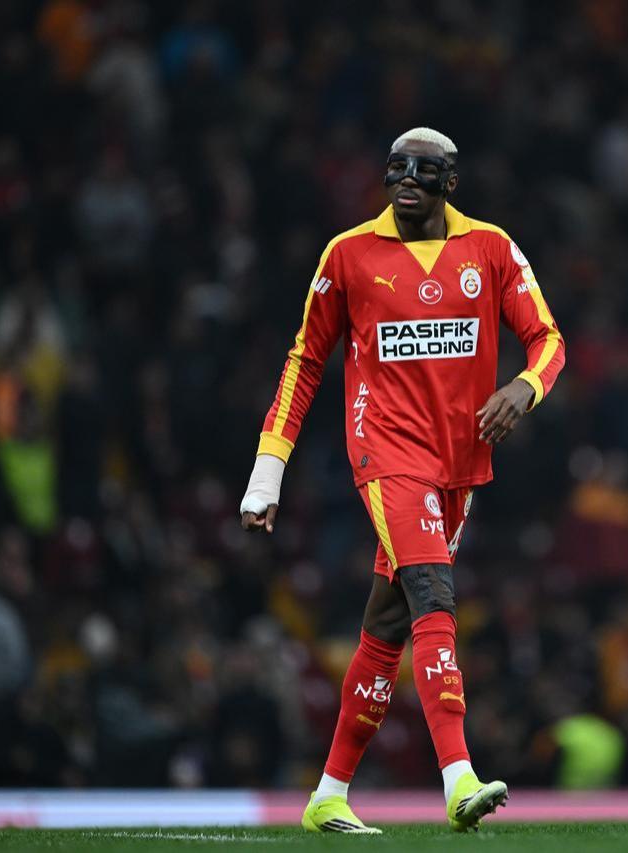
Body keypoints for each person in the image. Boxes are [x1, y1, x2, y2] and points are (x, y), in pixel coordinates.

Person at [239, 127, 565, 833]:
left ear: (452, 179)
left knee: (386, 622)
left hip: (459, 463)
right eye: (395, 168)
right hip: (385, 450)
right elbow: (304, 362)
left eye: (422, 169)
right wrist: (269, 470)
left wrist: (525, 388)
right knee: (431, 589)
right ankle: (459, 777)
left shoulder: (492, 249)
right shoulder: (349, 254)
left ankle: (328, 792)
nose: (404, 180)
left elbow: (549, 340)